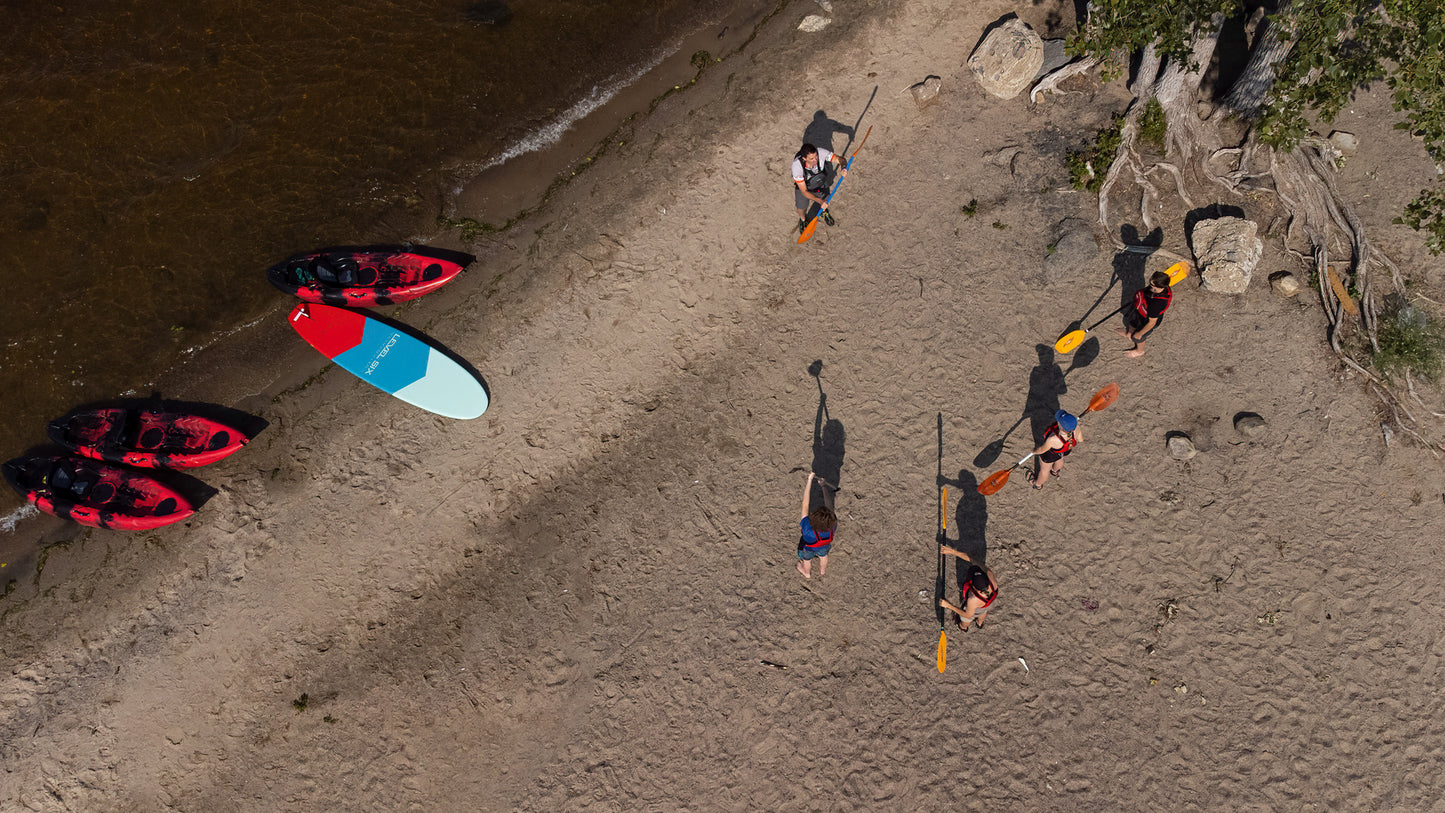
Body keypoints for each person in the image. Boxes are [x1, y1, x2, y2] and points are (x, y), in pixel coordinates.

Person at [1115, 270, 1173, 358]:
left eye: (1152, 285)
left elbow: (1152, 323)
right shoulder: (1158, 288)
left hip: (1147, 320)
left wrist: (1140, 334)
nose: (1150, 285)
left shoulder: (1157, 304)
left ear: (1159, 287)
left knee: (1137, 337)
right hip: (1141, 310)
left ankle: (1139, 351)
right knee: (1133, 321)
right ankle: (1129, 334)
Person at [937, 545, 997, 630]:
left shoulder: (973, 600)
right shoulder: (990, 576)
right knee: (983, 612)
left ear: (974, 588)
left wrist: (948, 606)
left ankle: (964, 628)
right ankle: (979, 623)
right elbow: (973, 560)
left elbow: (967, 615)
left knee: (965, 621)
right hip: (987, 605)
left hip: (976, 608)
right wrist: (953, 552)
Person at [791, 143, 847, 233]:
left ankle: (823, 211)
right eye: (811, 159)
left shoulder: (821, 152)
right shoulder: (797, 166)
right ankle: (803, 220)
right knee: (801, 207)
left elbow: (840, 159)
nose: (815, 160)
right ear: (804, 158)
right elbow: (804, 191)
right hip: (804, 187)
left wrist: (843, 167)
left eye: (816, 157)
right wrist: (820, 201)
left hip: (820, 182)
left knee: (825, 200)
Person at [796, 471, 836, 579]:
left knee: (807, 559)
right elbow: (830, 507)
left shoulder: (808, 528)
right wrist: (823, 486)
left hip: (809, 548)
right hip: (823, 546)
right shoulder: (832, 525)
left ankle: (806, 573)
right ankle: (822, 570)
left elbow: (805, 504)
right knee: (824, 556)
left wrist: (809, 480)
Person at [1027, 409, 1081, 489]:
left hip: (1050, 454)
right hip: (1065, 449)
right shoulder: (1076, 428)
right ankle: (1055, 471)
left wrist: (1035, 451)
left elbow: (1042, 450)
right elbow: (1080, 440)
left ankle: (1037, 484)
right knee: (1060, 458)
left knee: (1045, 470)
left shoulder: (1052, 439)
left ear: (1060, 425)